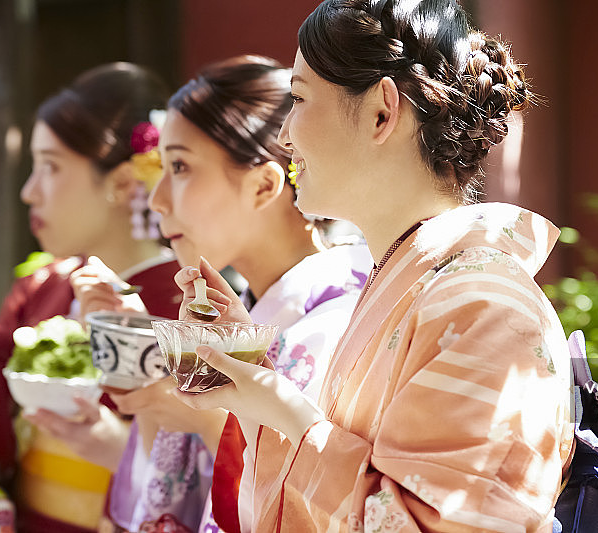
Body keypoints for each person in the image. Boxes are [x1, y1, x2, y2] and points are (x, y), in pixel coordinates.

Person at [173, 0, 575, 531]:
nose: (285, 136)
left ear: (382, 112)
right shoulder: (428, 286)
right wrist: (255, 386)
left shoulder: (485, 306)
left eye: (299, 98)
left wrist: (280, 407)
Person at [98, 55, 372, 532]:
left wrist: (211, 424)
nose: (158, 199)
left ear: (265, 184)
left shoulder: (339, 325)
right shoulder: (242, 313)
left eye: (180, 166)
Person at [0, 62, 181, 533]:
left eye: (50, 167)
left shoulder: (186, 301)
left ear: (121, 183)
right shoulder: (39, 287)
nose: (29, 192)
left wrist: (123, 445)